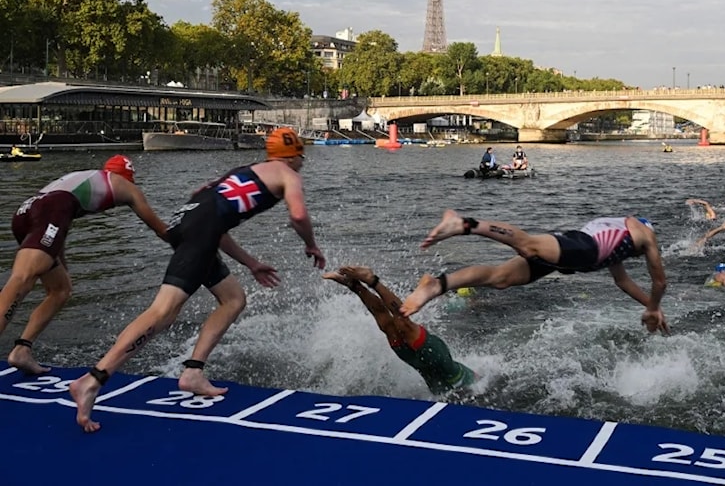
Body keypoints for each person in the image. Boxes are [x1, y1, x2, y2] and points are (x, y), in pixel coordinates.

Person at [69, 128, 327, 433]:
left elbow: (210, 217)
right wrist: (310, 244)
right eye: (302, 157)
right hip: (199, 234)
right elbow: (297, 216)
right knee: (162, 312)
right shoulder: (288, 175)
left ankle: (193, 372)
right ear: (293, 155)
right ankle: (93, 379)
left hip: (186, 224)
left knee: (233, 299)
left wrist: (252, 263)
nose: (303, 163)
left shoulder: (243, 172)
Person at [0, 155, 169, 375]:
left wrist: (59, 260)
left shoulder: (83, 177)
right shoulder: (126, 186)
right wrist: (191, 239)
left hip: (27, 211)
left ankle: (22, 350)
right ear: (128, 176)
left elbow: (58, 219)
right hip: (50, 212)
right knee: (22, 279)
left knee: (61, 290)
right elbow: (160, 229)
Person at [399, 210, 668, 334]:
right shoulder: (645, 235)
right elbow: (660, 281)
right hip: (582, 248)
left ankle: (437, 285)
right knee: (527, 245)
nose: (638, 256)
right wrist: (654, 306)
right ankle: (464, 224)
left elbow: (622, 281)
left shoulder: (620, 242)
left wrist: (651, 306)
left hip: (578, 256)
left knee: (500, 278)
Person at [323, 266, 476, 395]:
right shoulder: (478, 385)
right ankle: (372, 280)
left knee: (386, 324)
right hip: (435, 355)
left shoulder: (475, 383)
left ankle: (353, 285)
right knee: (402, 321)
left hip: (415, 360)